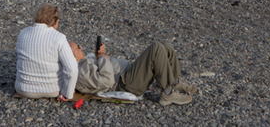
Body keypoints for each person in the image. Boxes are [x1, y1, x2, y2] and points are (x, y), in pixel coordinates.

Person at [69, 40, 197, 106]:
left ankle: (174, 81)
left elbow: (104, 66)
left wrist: (99, 55)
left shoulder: (84, 62)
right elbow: (107, 81)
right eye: (78, 47)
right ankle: (168, 92)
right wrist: (102, 57)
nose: (81, 48)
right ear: (72, 54)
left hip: (127, 74)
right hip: (126, 84)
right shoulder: (81, 72)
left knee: (165, 46)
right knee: (156, 48)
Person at [15, 5, 78, 101]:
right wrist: (67, 94)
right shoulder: (59, 38)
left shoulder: (23, 33)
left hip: (23, 89)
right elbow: (72, 69)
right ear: (55, 21)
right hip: (53, 90)